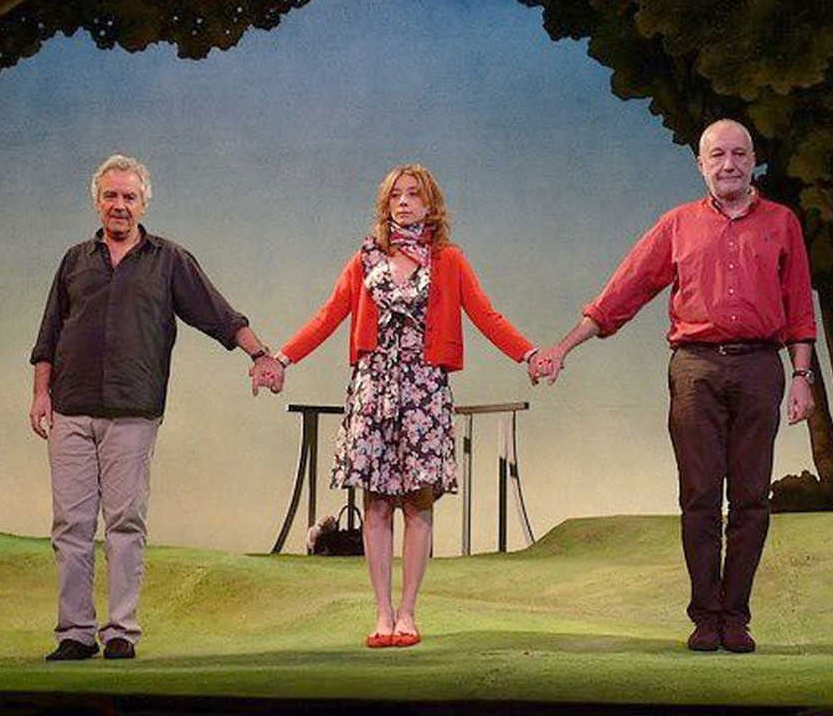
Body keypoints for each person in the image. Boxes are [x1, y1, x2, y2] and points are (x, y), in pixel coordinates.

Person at [534, 120, 817, 653]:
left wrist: (802, 376)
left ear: (753, 159)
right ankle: (705, 616)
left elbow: (799, 308)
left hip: (760, 367)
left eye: (739, 154)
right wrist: (565, 346)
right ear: (700, 164)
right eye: (717, 155)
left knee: (752, 499)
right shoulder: (678, 224)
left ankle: (736, 617)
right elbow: (624, 290)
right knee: (700, 498)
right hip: (695, 369)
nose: (729, 164)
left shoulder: (782, 223)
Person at [267, 164, 544, 648]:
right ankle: (382, 613)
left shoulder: (448, 261)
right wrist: (282, 358)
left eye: (414, 194)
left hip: (423, 392)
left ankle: (408, 613)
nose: (403, 202)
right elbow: (328, 315)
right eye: (396, 195)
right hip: (373, 391)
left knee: (418, 502)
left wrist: (529, 354)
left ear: (430, 204)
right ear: (385, 204)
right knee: (376, 504)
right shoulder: (365, 259)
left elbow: (486, 315)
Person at [28, 154, 283, 661]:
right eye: (111, 196)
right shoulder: (75, 260)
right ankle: (75, 633)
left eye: (129, 196)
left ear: (144, 203)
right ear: (97, 202)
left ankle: (121, 630)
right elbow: (49, 333)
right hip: (70, 409)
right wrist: (40, 393)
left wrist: (260, 355)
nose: (119, 205)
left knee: (125, 522)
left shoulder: (169, 261)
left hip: (133, 410)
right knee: (71, 527)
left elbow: (218, 314)